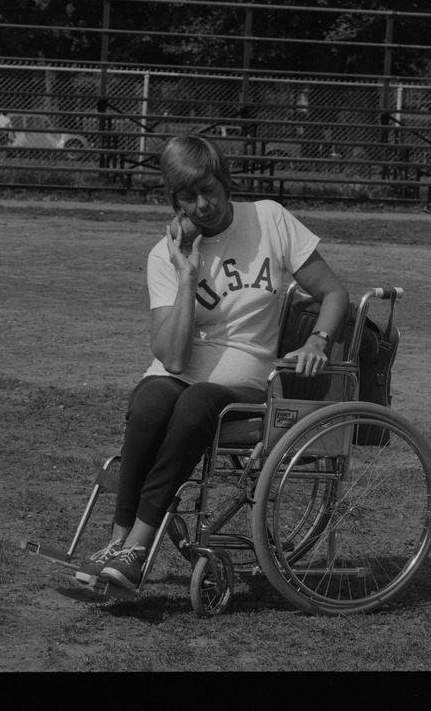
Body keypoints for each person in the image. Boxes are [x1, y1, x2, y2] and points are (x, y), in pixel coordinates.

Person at [75, 134, 349, 591]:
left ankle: (138, 548)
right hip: (177, 375)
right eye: (188, 196)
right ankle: (116, 542)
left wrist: (318, 341)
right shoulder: (163, 255)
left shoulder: (270, 220)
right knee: (150, 403)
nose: (202, 205)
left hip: (242, 382)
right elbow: (174, 357)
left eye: (209, 190)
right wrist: (186, 273)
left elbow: (333, 292)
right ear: (174, 200)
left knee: (197, 401)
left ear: (226, 183)